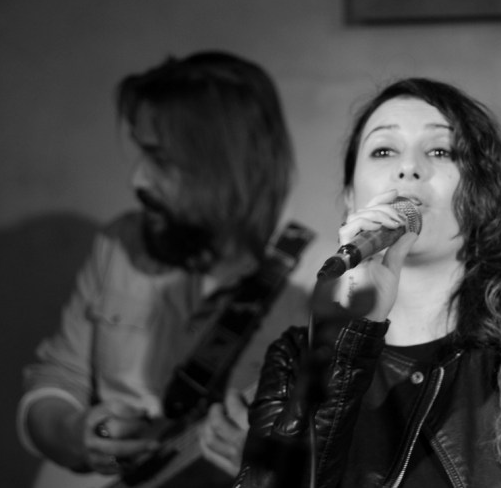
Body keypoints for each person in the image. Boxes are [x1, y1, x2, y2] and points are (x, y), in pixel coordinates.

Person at [234, 78, 501, 487]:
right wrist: (354, 334)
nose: (409, 168)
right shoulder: (296, 359)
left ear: (480, 193)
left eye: (439, 151)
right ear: (349, 196)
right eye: (383, 151)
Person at [17, 50, 309, 487]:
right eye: (141, 153)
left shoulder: (311, 302)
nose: (136, 180)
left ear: (225, 166)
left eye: (160, 159)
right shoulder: (121, 243)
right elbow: (58, 373)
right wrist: (74, 434)